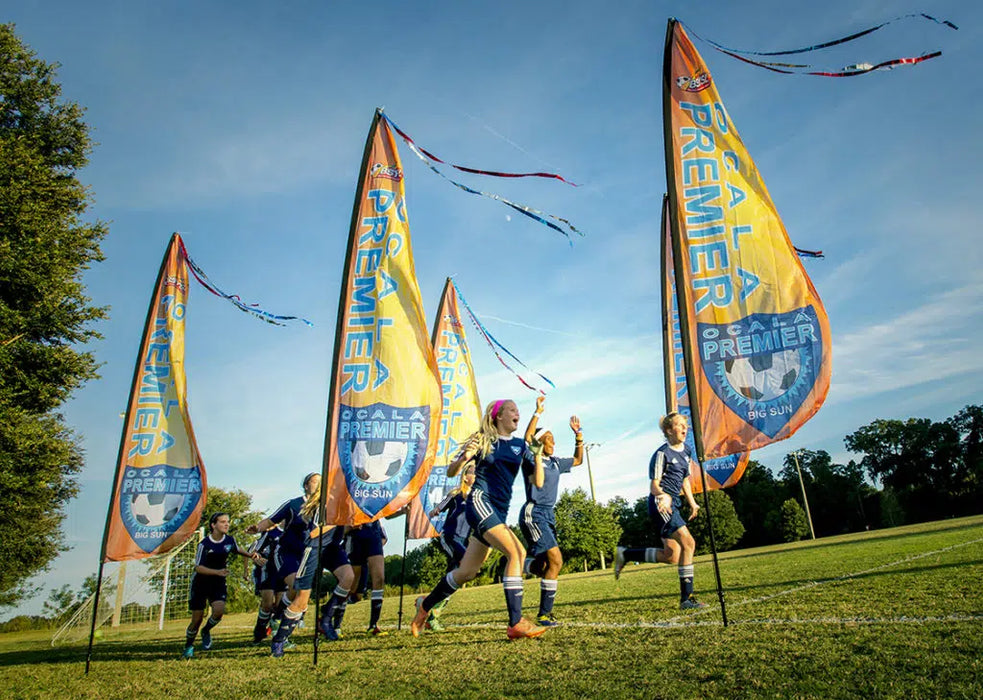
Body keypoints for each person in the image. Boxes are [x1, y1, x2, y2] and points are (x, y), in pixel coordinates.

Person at [410, 399, 546, 640]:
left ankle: (425, 605)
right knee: (517, 553)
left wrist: (536, 456)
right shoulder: (484, 440)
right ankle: (516, 623)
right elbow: (452, 471)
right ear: (498, 417)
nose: (518, 413)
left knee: (466, 572)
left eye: (517, 410)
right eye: (512, 409)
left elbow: (538, 482)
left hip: (498, 511)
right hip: (480, 503)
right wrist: (465, 458)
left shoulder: (518, 446)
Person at [614, 412, 705, 610]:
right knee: (689, 543)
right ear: (669, 431)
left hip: (675, 505)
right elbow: (654, 485)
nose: (684, 428)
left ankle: (627, 554)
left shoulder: (687, 451)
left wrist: (692, 503)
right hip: (661, 504)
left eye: (685, 425)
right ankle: (686, 599)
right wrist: (664, 495)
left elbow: (684, 480)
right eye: (680, 425)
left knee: (672, 555)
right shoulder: (662, 454)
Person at [520, 395, 584, 626]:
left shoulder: (556, 462)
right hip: (533, 513)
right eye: (549, 439)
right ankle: (544, 614)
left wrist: (578, 435)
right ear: (540, 441)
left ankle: (520, 564)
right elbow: (527, 438)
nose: (553, 442)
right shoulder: (531, 456)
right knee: (557, 560)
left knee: (546, 566)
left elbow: (578, 460)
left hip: (549, 515)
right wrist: (537, 412)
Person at [245, 472, 320, 652]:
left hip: (307, 556)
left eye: (320, 482)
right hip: (286, 553)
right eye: (314, 481)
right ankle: (272, 627)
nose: (317, 484)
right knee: (296, 586)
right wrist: (257, 527)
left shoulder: (324, 507)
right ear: (306, 485)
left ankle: (278, 624)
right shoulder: (294, 504)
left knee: (301, 597)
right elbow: (271, 520)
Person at [268, 520, 354, 657]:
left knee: (348, 577)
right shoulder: (312, 504)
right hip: (311, 546)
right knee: (300, 596)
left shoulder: (347, 502)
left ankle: (326, 617)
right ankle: (279, 639)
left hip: (331, 547)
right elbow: (313, 531)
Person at [183, 512, 262, 659]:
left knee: (218, 612)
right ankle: (189, 645)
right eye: (223, 522)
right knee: (197, 619)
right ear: (213, 525)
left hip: (218, 583)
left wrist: (251, 555)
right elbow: (198, 567)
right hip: (200, 583)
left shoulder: (230, 540)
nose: (227, 524)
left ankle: (206, 631)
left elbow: (238, 550)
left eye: (228, 521)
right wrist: (217, 572)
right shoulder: (204, 544)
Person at [423, 463, 476, 631]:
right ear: (465, 476)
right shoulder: (456, 493)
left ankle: (428, 608)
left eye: (476, 473)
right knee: (462, 568)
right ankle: (431, 612)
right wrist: (434, 511)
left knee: (456, 577)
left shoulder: (478, 497)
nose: (475, 475)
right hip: (450, 536)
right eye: (472, 472)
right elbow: (437, 509)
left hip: (464, 540)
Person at [339, 520, 389, 636]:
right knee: (351, 586)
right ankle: (335, 623)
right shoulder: (350, 503)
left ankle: (373, 626)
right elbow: (338, 532)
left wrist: (403, 510)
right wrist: (349, 527)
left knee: (379, 579)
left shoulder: (375, 509)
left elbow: (384, 537)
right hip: (355, 538)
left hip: (373, 537)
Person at [248, 523, 283, 644]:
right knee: (267, 605)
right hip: (268, 571)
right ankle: (259, 631)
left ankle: (275, 630)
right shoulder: (269, 534)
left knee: (280, 605)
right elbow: (253, 550)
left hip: (283, 572)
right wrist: (255, 557)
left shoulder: (291, 532)